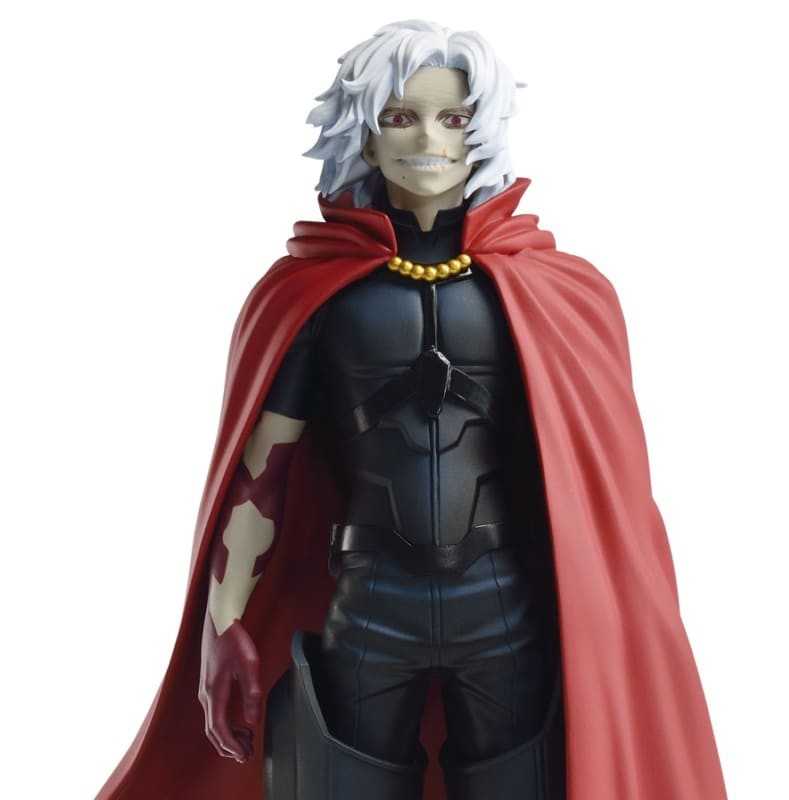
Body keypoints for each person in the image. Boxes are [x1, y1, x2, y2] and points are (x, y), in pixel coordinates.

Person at [97, 20, 728, 800]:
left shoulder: (554, 292)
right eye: (400, 116)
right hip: (371, 600)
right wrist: (222, 624)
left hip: (502, 602)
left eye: (452, 117)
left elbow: (601, 496)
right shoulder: (314, 297)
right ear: (364, 135)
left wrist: (613, 619)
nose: (428, 137)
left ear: (479, 132)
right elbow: (264, 474)